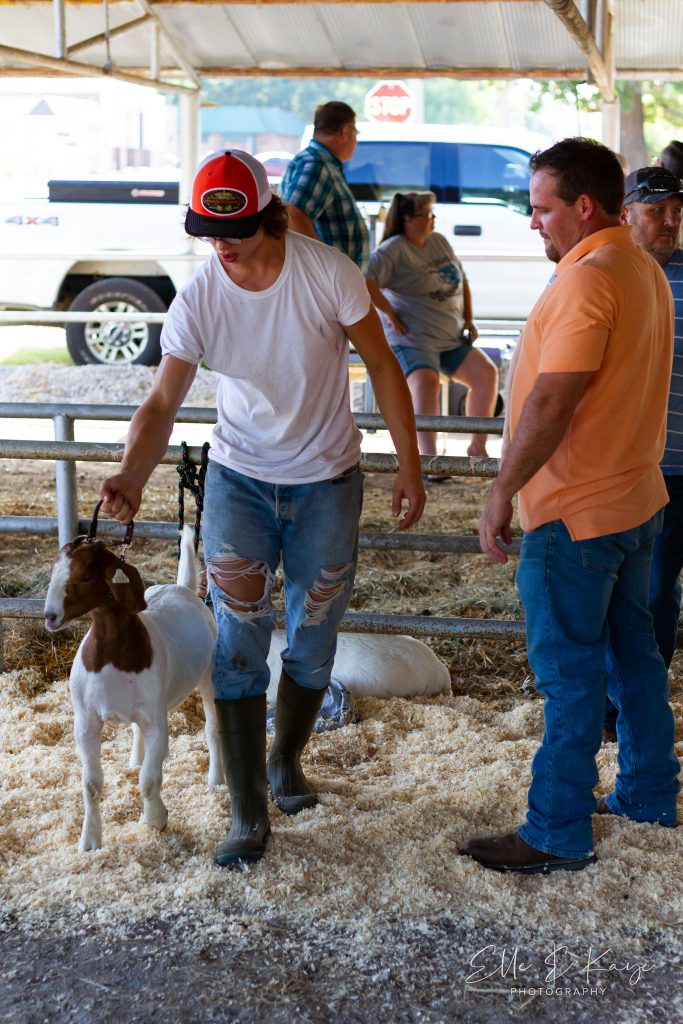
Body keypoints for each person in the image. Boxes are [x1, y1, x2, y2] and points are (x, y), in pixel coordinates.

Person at [99, 150, 425, 868]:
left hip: (327, 479)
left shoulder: (327, 273)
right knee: (239, 636)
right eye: (207, 231)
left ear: (267, 217)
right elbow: (162, 401)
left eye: (235, 229)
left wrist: (409, 463)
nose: (221, 244)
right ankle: (247, 808)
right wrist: (130, 473)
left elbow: (381, 363)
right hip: (239, 478)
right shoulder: (199, 298)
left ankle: (285, 760)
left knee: (313, 633)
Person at [460, 137, 680, 875]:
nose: (533, 222)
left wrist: (501, 489)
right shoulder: (640, 266)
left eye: (541, 208)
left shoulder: (589, 279)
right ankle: (649, 794)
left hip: (575, 509)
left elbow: (554, 399)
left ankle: (555, 828)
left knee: (570, 673)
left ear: (583, 206)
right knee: (634, 657)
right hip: (634, 497)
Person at [601, 166, 683, 738]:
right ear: (626, 212)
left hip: (674, 462)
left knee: (655, 588)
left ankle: (634, 708)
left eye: (677, 211)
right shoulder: (602, 273)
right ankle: (625, 706)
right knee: (631, 591)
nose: (671, 220)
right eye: (658, 210)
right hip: (622, 464)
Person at [365, 191, 498, 466]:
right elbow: (366, 282)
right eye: (426, 214)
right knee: (426, 383)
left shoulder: (438, 241)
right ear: (408, 220)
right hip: (413, 338)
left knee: (486, 374)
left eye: (431, 213)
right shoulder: (392, 250)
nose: (432, 219)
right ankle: (429, 460)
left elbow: (462, 280)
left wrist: (469, 319)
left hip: (450, 336)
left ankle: (477, 448)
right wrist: (389, 313)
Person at [279, 100, 370, 271]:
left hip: (332, 279)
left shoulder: (320, 162)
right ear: (346, 132)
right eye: (356, 133)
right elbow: (293, 215)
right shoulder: (316, 163)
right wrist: (325, 264)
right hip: (325, 280)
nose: (356, 141)